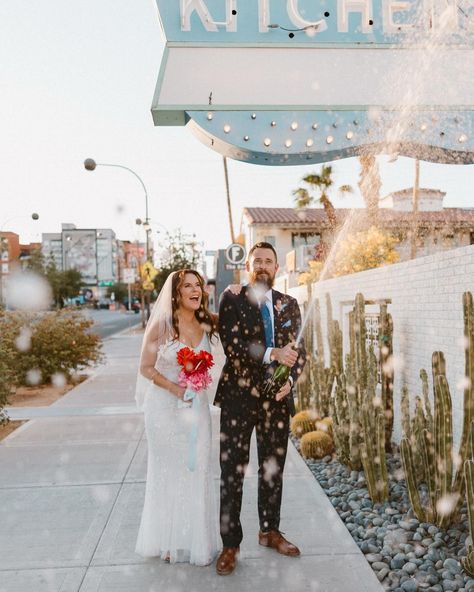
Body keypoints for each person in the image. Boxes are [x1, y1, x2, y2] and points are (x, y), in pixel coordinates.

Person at [214, 242, 307, 576]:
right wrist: (272, 354)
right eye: (258, 261)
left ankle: (269, 531)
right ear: (248, 266)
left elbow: (300, 351)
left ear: (277, 268)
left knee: (272, 468)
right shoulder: (232, 298)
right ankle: (230, 544)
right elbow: (233, 346)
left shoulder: (289, 303)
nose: (263, 265)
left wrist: (290, 381)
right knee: (232, 472)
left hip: (276, 402)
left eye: (269, 261)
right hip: (239, 399)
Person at [134, 269, 223, 566]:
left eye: (198, 285)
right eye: (188, 286)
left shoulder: (208, 322)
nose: (195, 290)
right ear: (176, 293)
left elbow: (237, 340)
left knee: (196, 469)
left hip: (196, 408)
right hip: (163, 409)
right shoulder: (161, 325)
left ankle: (196, 539)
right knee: (169, 471)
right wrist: (175, 388)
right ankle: (169, 541)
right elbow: (146, 368)